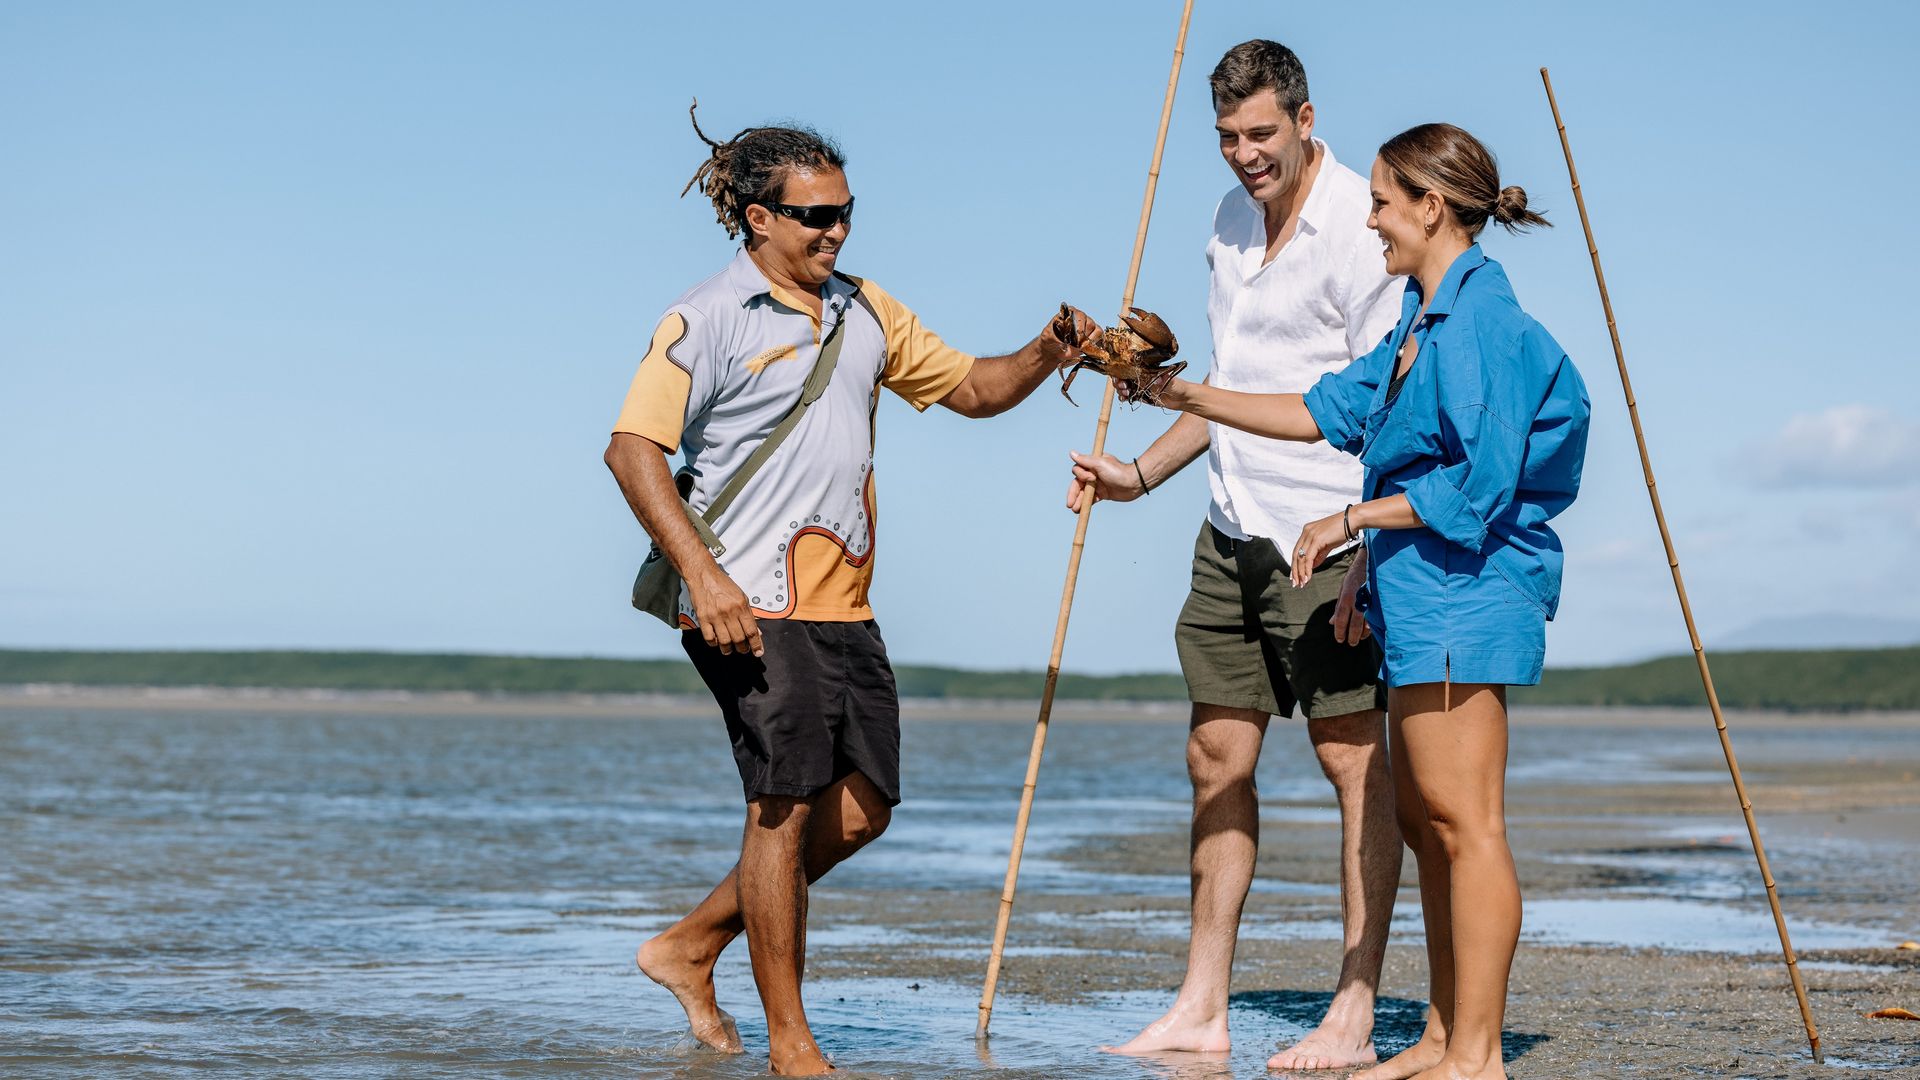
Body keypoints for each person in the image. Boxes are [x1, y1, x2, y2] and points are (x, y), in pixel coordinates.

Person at [605, 109, 1099, 1077]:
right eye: (815, 217)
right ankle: (794, 1047)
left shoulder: (868, 310)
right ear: (757, 218)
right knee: (780, 811)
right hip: (747, 603)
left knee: (867, 801)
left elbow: (977, 388)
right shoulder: (705, 316)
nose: (836, 232)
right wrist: (704, 577)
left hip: (847, 607)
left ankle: (692, 945)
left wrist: (1050, 351)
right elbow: (632, 451)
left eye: (846, 213)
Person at [1137, 122, 1591, 1080]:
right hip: (1421, 595)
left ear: (1432, 207)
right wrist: (1177, 394)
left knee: (1469, 826)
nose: (1372, 217)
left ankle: (1476, 1054)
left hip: (1473, 593)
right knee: (1428, 826)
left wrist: (1350, 522)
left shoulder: (1479, 322)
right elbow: (1317, 412)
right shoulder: (1420, 323)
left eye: (1384, 201)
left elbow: (1477, 485)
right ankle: (1438, 1037)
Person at [1069, 41, 1405, 1071]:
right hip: (1229, 528)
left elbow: (1381, 405)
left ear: (1306, 118)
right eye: (1227, 138)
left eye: (1262, 134)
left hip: (1328, 535)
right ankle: (1201, 1005)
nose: (1245, 156)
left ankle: (1353, 1009)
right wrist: (1142, 472)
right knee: (1216, 755)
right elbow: (1229, 379)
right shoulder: (1224, 222)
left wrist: (1361, 540)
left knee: (1355, 766)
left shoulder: (1364, 225)